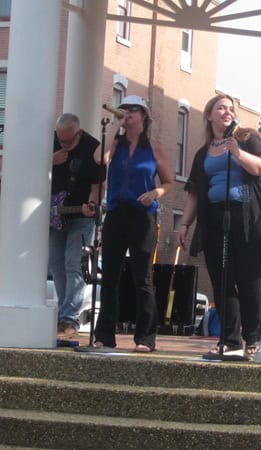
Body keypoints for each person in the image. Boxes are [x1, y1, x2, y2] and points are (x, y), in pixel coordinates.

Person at [178, 94, 261, 359]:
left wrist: (238, 153)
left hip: (248, 217)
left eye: (231, 108)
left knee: (249, 281)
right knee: (222, 281)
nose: (227, 112)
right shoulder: (203, 152)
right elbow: (194, 192)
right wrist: (184, 224)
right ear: (209, 115)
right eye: (221, 108)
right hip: (214, 219)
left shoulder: (247, 138)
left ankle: (252, 338)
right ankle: (230, 340)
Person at [92, 95, 174, 352]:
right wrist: (114, 130)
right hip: (116, 213)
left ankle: (145, 338)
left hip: (142, 215)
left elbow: (168, 182)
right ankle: (105, 335)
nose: (127, 113)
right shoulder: (115, 143)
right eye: (124, 108)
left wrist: (155, 193)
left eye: (133, 109)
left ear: (143, 115)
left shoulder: (154, 147)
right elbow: (99, 159)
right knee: (110, 277)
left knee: (143, 278)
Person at [49, 113, 103, 339]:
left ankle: (69, 317)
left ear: (79, 133)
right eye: (60, 140)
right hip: (55, 215)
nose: (63, 144)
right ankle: (64, 314)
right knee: (56, 266)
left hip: (80, 216)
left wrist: (91, 204)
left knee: (74, 265)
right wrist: (50, 160)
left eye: (68, 141)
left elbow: (97, 186)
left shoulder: (92, 147)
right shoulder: (50, 143)